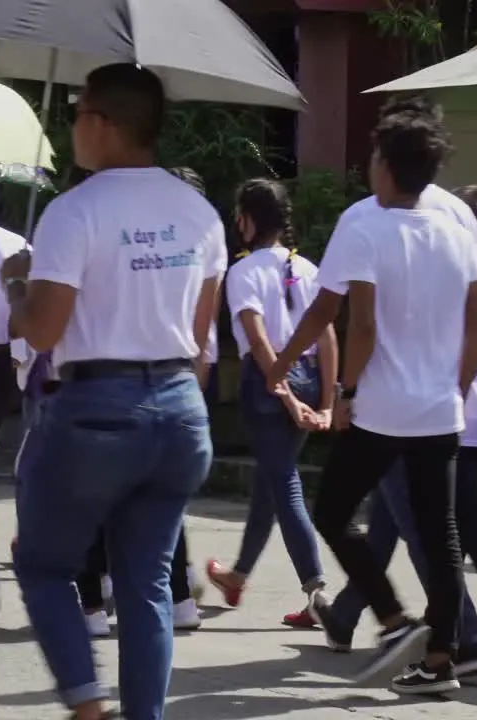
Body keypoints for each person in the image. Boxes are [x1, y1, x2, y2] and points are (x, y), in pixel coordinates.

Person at [5, 64, 225, 720]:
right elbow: (199, 335)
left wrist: (16, 283)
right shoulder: (200, 212)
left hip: (98, 407)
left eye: (77, 115)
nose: (72, 129)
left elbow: (43, 329)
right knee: (147, 583)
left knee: (44, 567)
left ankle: (86, 702)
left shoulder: (76, 211)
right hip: (181, 407)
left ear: (101, 123)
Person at [268, 101, 477, 694]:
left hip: (382, 409)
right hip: (440, 410)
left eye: (372, 155)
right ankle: (439, 660)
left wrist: (337, 389)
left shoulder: (364, 225)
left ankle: (393, 621)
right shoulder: (457, 226)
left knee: (333, 513)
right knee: (440, 534)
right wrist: (456, 387)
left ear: (387, 166)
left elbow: (348, 320)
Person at [310, 184, 477, 673]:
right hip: (471, 421)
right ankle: (349, 615)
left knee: (440, 528)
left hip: (425, 417)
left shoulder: (430, 273)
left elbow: (364, 326)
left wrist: (347, 391)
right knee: (392, 516)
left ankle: (458, 640)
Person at [205, 178, 336, 627]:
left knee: (284, 484)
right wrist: (326, 400)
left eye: (238, 213)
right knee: (271, 480)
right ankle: (238, 575)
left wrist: (283, 395)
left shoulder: (243, 272)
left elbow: (259, 342)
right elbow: (328, 336)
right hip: (310, 377)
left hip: (267, 384)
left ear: (248, 219)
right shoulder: (310, 268)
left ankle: (316, 590)